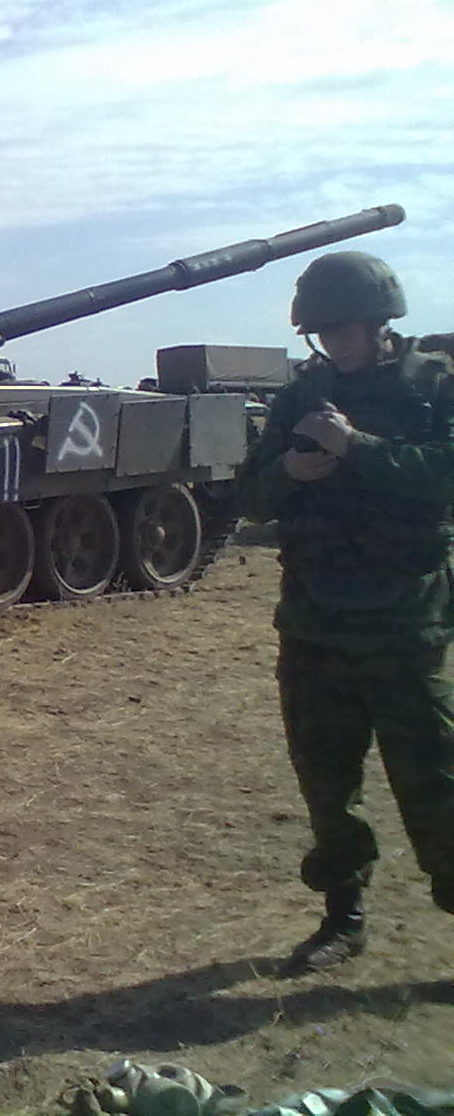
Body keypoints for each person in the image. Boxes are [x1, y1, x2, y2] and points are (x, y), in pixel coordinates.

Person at [235, 250, 454, 976]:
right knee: (327, 785)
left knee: (435, 784)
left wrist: (355, 449)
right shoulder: (303, 396)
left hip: (403, 623)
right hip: (314, 624)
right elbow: (253, 496)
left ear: (378, 322)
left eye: (342, 330)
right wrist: (289, 473)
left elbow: (441, 478)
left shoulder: (432, 388)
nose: (331, 345)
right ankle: (343, 916)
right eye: (320, 333)